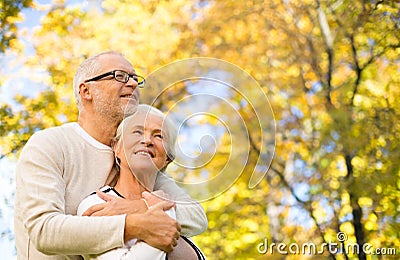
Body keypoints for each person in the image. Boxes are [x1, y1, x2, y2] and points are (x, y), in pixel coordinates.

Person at [14, 51, 208, 259]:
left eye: (135, 78)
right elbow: (44, 230)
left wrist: (138, 207)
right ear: (86, 90)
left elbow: (196, 216)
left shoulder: (136, 159)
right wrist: (132, 225)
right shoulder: (51, 144)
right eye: (119, 76)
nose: (133, 84)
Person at [77, 104, 205, 259]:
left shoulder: (173, 211)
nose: (147, 140)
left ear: (167, 159)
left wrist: (150, 208)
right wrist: (161, 217)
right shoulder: (98, 203)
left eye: (159, 136)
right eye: (137, 132)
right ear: (116, 147)